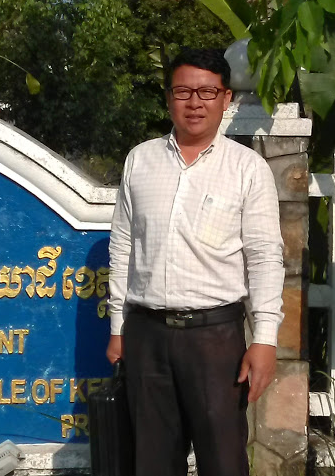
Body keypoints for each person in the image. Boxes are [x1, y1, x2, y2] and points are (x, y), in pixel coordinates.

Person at [105, 47, 284, 476]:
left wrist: (264, 339)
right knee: (150, 462)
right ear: (169, 97)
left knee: (223, 460)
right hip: (146, 335)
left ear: (226, 99)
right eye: (183, 91)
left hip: (215, 339)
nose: (195, 102)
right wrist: (117, 327)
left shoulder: (248, 169)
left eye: (207, 92)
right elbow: (123, 246)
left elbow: (264, 257)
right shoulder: (140, 160)